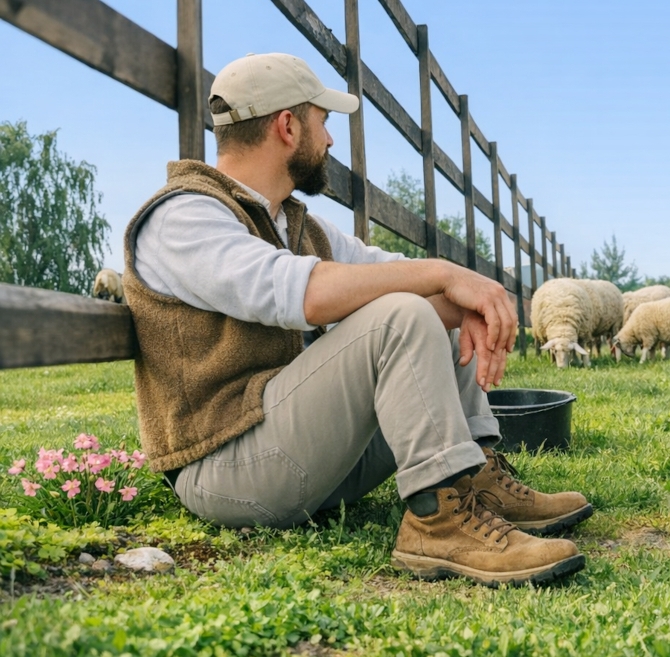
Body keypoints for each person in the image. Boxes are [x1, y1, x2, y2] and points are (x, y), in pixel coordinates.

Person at [122, 53, 592, 586]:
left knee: (439, 307)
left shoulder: (299, 225)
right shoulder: (183, 215)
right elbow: (302, 294)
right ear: (288, 125)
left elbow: (388, 270)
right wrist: (442, 272)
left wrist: (465, 299)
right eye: (324, 122)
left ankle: (473, 479)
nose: (330, 141)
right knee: (402, 311)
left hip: (297, 453)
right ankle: (436, 524)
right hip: (223, 469)